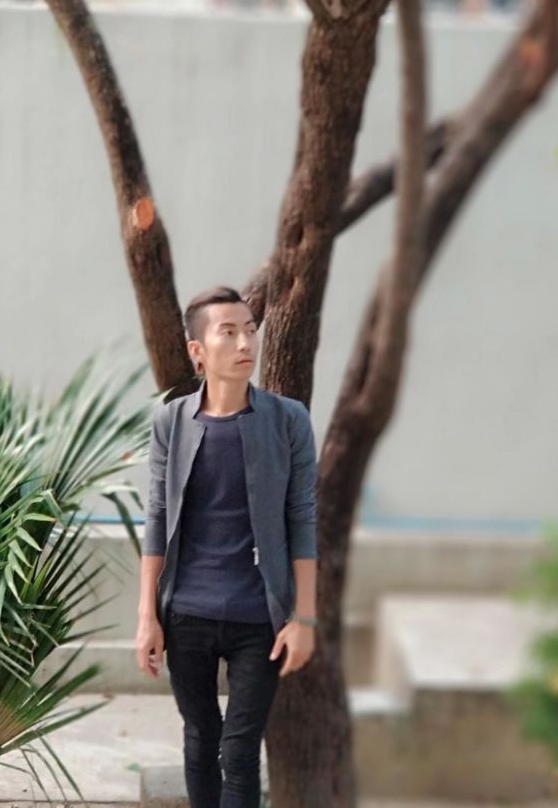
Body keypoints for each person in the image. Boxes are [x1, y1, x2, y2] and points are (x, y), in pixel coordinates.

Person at [136, 284, 318, 808]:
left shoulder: (288, 419)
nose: (246, 343)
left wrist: (304, 618)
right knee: (199, 739)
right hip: (186, 613)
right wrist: (147, 616)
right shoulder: (171, 422)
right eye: (230, 332)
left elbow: (302, 519)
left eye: (251, 331)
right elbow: (157, 518)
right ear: (198, 350)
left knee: (239, 753)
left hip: (259, 616)